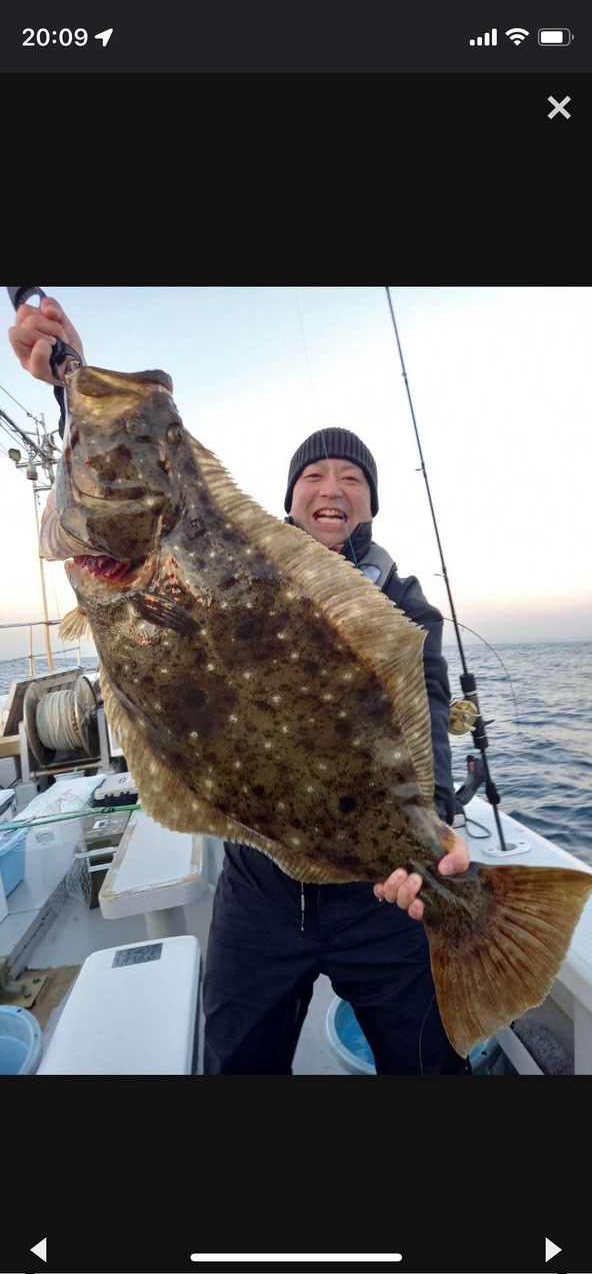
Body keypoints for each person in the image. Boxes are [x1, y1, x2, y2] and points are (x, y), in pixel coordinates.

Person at [9, 296, 472, 1076]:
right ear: (286, 500)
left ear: (370, 501)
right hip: (259, 891)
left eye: (352, 476)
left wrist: (435, 843)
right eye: (315, 474)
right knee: (236, 1060)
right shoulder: (228, 568)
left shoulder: (405, 609)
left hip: (377, 898)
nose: (332, 486)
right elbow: (137, 477)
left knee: (429, 1061)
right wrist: (70, 385)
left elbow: (423, 732)